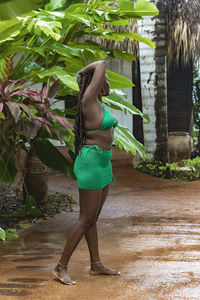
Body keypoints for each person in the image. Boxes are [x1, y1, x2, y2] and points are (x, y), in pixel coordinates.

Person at [52, 60, 120, 285]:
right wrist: (83, 72)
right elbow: (101, 63)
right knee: (85, 218)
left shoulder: (98, 103)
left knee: (93, 218)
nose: (107, 84)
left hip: (103, 163)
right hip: (91, 163)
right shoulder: (88, 102)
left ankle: (96, 264)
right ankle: (60, 267)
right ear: (94, 85)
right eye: (105, 81)